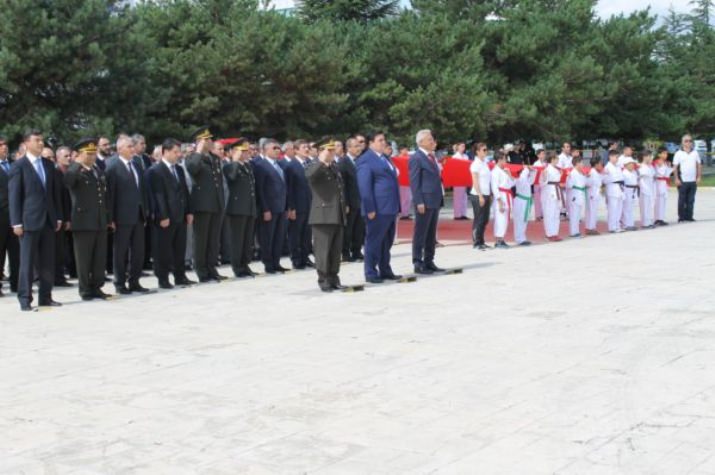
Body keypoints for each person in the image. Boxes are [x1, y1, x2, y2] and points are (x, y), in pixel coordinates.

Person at [8, 129, 64, 311]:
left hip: (48, 220)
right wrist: (16, 222)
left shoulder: (48, 165)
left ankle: (45, 297)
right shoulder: (19, 166)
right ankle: (25, 299)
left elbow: (54, 194)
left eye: (42, 140)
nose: (41, 143)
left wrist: (57, 217)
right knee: (27, 262)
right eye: (37, 140)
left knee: (48, 261)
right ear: (26, 143)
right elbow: (15, 196)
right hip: (28, 221)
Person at [64, 138, 113, 300]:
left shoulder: (96, 170)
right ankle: (85, 289)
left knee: (99, 257)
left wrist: (108, 217)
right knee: (84, 259)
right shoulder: (75, 170)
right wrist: (76, 163)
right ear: (79, 155)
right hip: (83, 221)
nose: (92, 157)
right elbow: (68, 182)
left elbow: (103, 197)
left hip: (99, 220)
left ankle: (97, 286)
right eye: (88, 154)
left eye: (93, 154)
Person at [147, 138, 196, 289]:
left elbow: (185, 192)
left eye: (179, 152)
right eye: (175, 152)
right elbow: (157, 196)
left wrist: (189, 211)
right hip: (166, 217)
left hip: (180, 215)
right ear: (165, 152)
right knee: (163, 251)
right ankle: (163, 279)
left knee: (179, 249)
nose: (178, 155)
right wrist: (162, 216)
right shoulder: (155, 171)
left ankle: (180, 277)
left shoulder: (179, 169)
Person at [106, 134, 150, 294]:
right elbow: (110, 195)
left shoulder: (137, 165)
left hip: (138, 215)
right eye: (129, 147)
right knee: (120, 251)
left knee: (138, 251)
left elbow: (142, 190)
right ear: (119, 149)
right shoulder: (112, 167)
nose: (133, 149)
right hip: (121, 216)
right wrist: (110, 218)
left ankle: (134, 281)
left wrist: (145, 211)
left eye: (133, 146)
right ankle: (119, 283)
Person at [357, 132, 402, 284]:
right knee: (374, 241)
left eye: (384, 140)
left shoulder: (384, 158)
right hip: (377, 208)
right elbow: (365, 187)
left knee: (386, 242)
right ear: (370, 143)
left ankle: (385, 269)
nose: (384, 142)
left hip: (390, 207)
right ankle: (370, 272)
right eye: (380, 140)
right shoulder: (366, 160)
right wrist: (370, 208)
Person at [185, 127, 227, 282]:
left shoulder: (214, 158)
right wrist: (198, 151)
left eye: (210, 139)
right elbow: (192, 170)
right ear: (199, 141)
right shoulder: (192, 157)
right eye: (207, 140)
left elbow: (218, 182)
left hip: (216, 203)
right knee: (201, 240)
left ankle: (211, 268)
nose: (211, 142)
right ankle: (201, 270)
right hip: (202, 205)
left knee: (213, 239)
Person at [306, 139, 347, 292]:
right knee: (323, 250)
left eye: (332, 150)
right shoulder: (314, 165)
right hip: (322, 215)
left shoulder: (334, 166)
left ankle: (334, 278)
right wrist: (321, 161)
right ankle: (324, 280)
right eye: (327, 150)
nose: (331, 152)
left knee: (335, 250)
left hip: (336, 213)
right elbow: (310, 176)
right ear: (320, 151)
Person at [409, 130, 444, 274]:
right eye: (429, 139)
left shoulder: (431, 157)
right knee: (421, 233)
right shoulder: (416, 158)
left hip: (434, 199)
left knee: (431, 234)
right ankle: (418, 262)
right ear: (421, 142)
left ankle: (429, 261)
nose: (432, 141)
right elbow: (415, 181)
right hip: (424, 200)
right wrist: (419, 201)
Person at [253, 138, 289, 274]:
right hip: (270, 208)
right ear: (265, 150)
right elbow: (260, 190)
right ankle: (268, 264)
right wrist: (265, 209)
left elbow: (284, 188)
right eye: (274, 148)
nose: (277, 150)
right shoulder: (261, 166)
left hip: (280, 207)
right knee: (268, 237)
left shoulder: (278, 165)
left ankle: (276, 262)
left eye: (278, 148)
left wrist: (286, 206)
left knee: (279, 237)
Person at [223, 138, 257, 278]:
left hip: (248, 207)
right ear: (234, 152)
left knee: (247, 239)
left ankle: (245, 264)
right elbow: (231, 177)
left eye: (246, 150)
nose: (246, 153)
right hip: (237, 208)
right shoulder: (229, 166)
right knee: (237, 240)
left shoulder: (247, 166)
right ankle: (237, 267)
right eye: (242, 150)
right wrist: (235, 161)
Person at [285, 139, 313, 269]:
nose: (307, 149)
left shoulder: (310, 163)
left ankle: (305, 257)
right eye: (303, 147)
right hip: (298, 205)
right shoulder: (291, 166)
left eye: (307, 147)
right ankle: (296, 259)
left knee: (307, 234)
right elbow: (289, 189)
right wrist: (291, 207)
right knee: (295, 233)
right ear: (296, 150)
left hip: (310, 204)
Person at [339, 137, 364, 262]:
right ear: (348, 148)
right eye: (355, 146)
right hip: (350, 201)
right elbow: (342, 185)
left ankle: (357, 251)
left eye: (359, 146)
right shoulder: (343, 162)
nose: (358, 148)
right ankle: (345, 252)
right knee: (348, 229)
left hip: (361, 200)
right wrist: (346, 203)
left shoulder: (360, 161)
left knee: (359, 229)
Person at [0, 134, 20, 297]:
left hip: (14, 217)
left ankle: (16, 284)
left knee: (16, 253)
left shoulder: (14, 165)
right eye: (0, 145)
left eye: (5, 145)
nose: (4, 147)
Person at [673, 134, 702, 222]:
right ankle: (681, 217)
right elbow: (675, 167)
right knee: (682, 200)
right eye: (686, 141)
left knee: (691, 200)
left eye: (690, 141)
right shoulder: (678, 153)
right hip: (682, 180)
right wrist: (676, 179)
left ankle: (689, 217)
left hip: (693, 180)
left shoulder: (695, 152)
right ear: (682, 143)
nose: (688, 142)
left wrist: (699, 177)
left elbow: (699, 165)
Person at [469, 142, 492, 250]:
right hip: (478, 195)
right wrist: (480, 195)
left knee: (485, 219)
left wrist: (489, 193)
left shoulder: (485, 163)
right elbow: (475, 181)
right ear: (477, 152)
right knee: (479, 219)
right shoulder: (475, 164)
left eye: (486, 149)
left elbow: (487, 180)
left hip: (486, 194)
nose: (486, 151)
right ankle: (476, 242)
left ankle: (481, 241)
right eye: (484, 150)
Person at [491, 152, 514, 248]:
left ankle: (502, 238)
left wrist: (509, 175)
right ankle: (498, 240)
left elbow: (512, 184)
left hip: (507, 194)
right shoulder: (495, 171)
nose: (506, 161)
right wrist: (499, 201)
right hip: (501, 196)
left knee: (505, 219)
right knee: (500, 218)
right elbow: (494, 187)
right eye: (504, 159)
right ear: (499, 159)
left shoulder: (504, 170)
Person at [540, 152, 563, 242]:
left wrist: (562, 175)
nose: (558, 160)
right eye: (557, 158)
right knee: (549, 213)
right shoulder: (546, 169)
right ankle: (549, 234)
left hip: (557, 190)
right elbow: (542, 183)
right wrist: (544, 177)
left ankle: (555, 233)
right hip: (549, 192)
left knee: (556, 214)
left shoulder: (557, 169)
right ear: (552, 159)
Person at [513, 164, 536, 246]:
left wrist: (533, 170)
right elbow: (523, 177)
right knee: (519, 220)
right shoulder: (518, 179)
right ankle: (519, 239)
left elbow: (532, 179)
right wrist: (525, 168)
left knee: (524, 220)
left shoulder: (526, 180)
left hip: (526, 201)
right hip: (520, 201)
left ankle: (522, 238)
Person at [603, 149, 625, 233]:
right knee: (612, 209)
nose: (617, 159)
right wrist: (614, 179)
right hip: (612, 189)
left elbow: (621, 178)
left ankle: (617, 226)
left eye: (617, 157)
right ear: (610, 157)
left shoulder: (618, 166)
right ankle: (612, 227)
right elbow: (604, 180)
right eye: (616, 157)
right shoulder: (607, 167)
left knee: (619, 209)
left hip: (620, 188)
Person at [565, 155, 587, 238]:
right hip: (574, 195)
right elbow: (568, 185)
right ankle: (573, 232)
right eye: (581, 163)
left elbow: (584, 184)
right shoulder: (572, 173)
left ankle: (576, 231)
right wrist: (569, 177)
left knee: (578, 215)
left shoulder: (581, 173)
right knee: (574, 214)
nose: (583, 164)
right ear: (577, 163)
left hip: (580, 194)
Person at [585, 157, 604, 235]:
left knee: (594, 211)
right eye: (600, 163)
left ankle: (591, 227)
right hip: (592, 193)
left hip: (596, 193)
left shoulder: (597, 172)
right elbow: (588, 183)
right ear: (596, 164)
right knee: (591, 211)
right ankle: (590, 228)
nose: (601, 165)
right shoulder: (591, 172)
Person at [451, 142, 469, 220]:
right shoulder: (454, 157)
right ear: (458, 147)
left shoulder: (466, 156)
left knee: (464, 197)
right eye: (462, 146)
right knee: (458, 197)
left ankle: (463, 213)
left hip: (464, 178)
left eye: (464, 146)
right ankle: (457, 214)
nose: (463, 147)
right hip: (457, 178)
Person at [654, 148, 672, 226]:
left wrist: (670, 167)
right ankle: (657, 219)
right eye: (663, 153)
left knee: (663, 201)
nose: (665, 155)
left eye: (666, 153)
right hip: (659, 182)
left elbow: (667, 173)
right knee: (659, 201)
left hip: (664, 183)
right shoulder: (657, 162)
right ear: (659, 154)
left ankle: (661, 218)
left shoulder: (665, 162)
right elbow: (660, 173)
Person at [638, 150, 656, 229]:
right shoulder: (641, 166)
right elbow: (640, 179)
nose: (651, 158)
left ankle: (649, 222)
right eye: (649, 156)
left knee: (650, 206)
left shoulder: (651, 166)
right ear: (644, 157)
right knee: (644, 206)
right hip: (644, 189)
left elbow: (653, 176)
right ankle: (645, 223)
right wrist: (643, 188)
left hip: (651, 187)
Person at [622, 157, 639, 231]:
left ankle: (631, 224)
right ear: (626, 165)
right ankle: (626, 225)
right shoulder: (624, 173)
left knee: (631, 208)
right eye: (631, 163)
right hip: (627, 190)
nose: (632, 165)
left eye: (633, 163)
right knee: (626, 208)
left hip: (633, 191)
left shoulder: (634, 172)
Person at [532, 148, 547, 220]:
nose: (543, 155)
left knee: (543, 199)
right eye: (541, 154)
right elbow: (533, 174)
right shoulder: (536, 163)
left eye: (544, 154)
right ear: (538, 155)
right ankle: (538, 215)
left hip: (544, 183)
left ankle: (543, 214)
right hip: (537, 183)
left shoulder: (546, 164)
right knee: (537, 199)